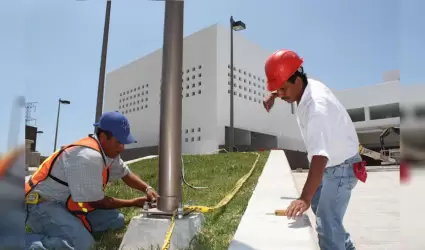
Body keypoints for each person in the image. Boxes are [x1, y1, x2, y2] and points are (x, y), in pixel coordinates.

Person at [263, 49, 366, 250]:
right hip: (333, 164)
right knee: (323, 211)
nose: (281, 95)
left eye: (283, 89)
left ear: (297, 81)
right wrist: (273, 95)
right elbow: (285, 85)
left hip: (341, 168)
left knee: (326, 225)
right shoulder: (305, 84)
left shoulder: (317, 107)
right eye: (278, 90)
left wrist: (304, 198)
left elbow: (320, 157)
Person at [25, 111, 159, 250]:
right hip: (41, 204)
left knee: (115, 220)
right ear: (102, 137)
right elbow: (97, 202)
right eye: (119, 141)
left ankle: (71, 227)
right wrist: (133, 202)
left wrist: (147, 188)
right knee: (82, 244)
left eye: (124, 142)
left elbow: (125, 174)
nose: (122, 147)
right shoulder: (88, 157)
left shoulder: (109, 153)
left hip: (67, 204)